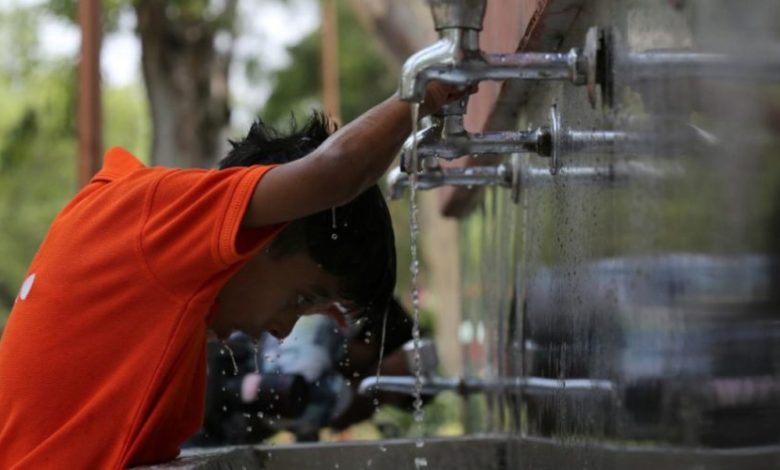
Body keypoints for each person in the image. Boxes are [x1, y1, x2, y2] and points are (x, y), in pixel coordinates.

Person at [0, 83, 465, 468]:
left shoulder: (146, 261)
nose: (282, 333)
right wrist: (429, 89)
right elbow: (336, 172)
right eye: (302, 298)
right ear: (260, 236)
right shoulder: (144, 220)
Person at [186, 298, 416, 446]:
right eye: (371, 366)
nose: (359, 375)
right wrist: (375, 391)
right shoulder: (323, 319)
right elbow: (296, 396)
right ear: (372, 342)